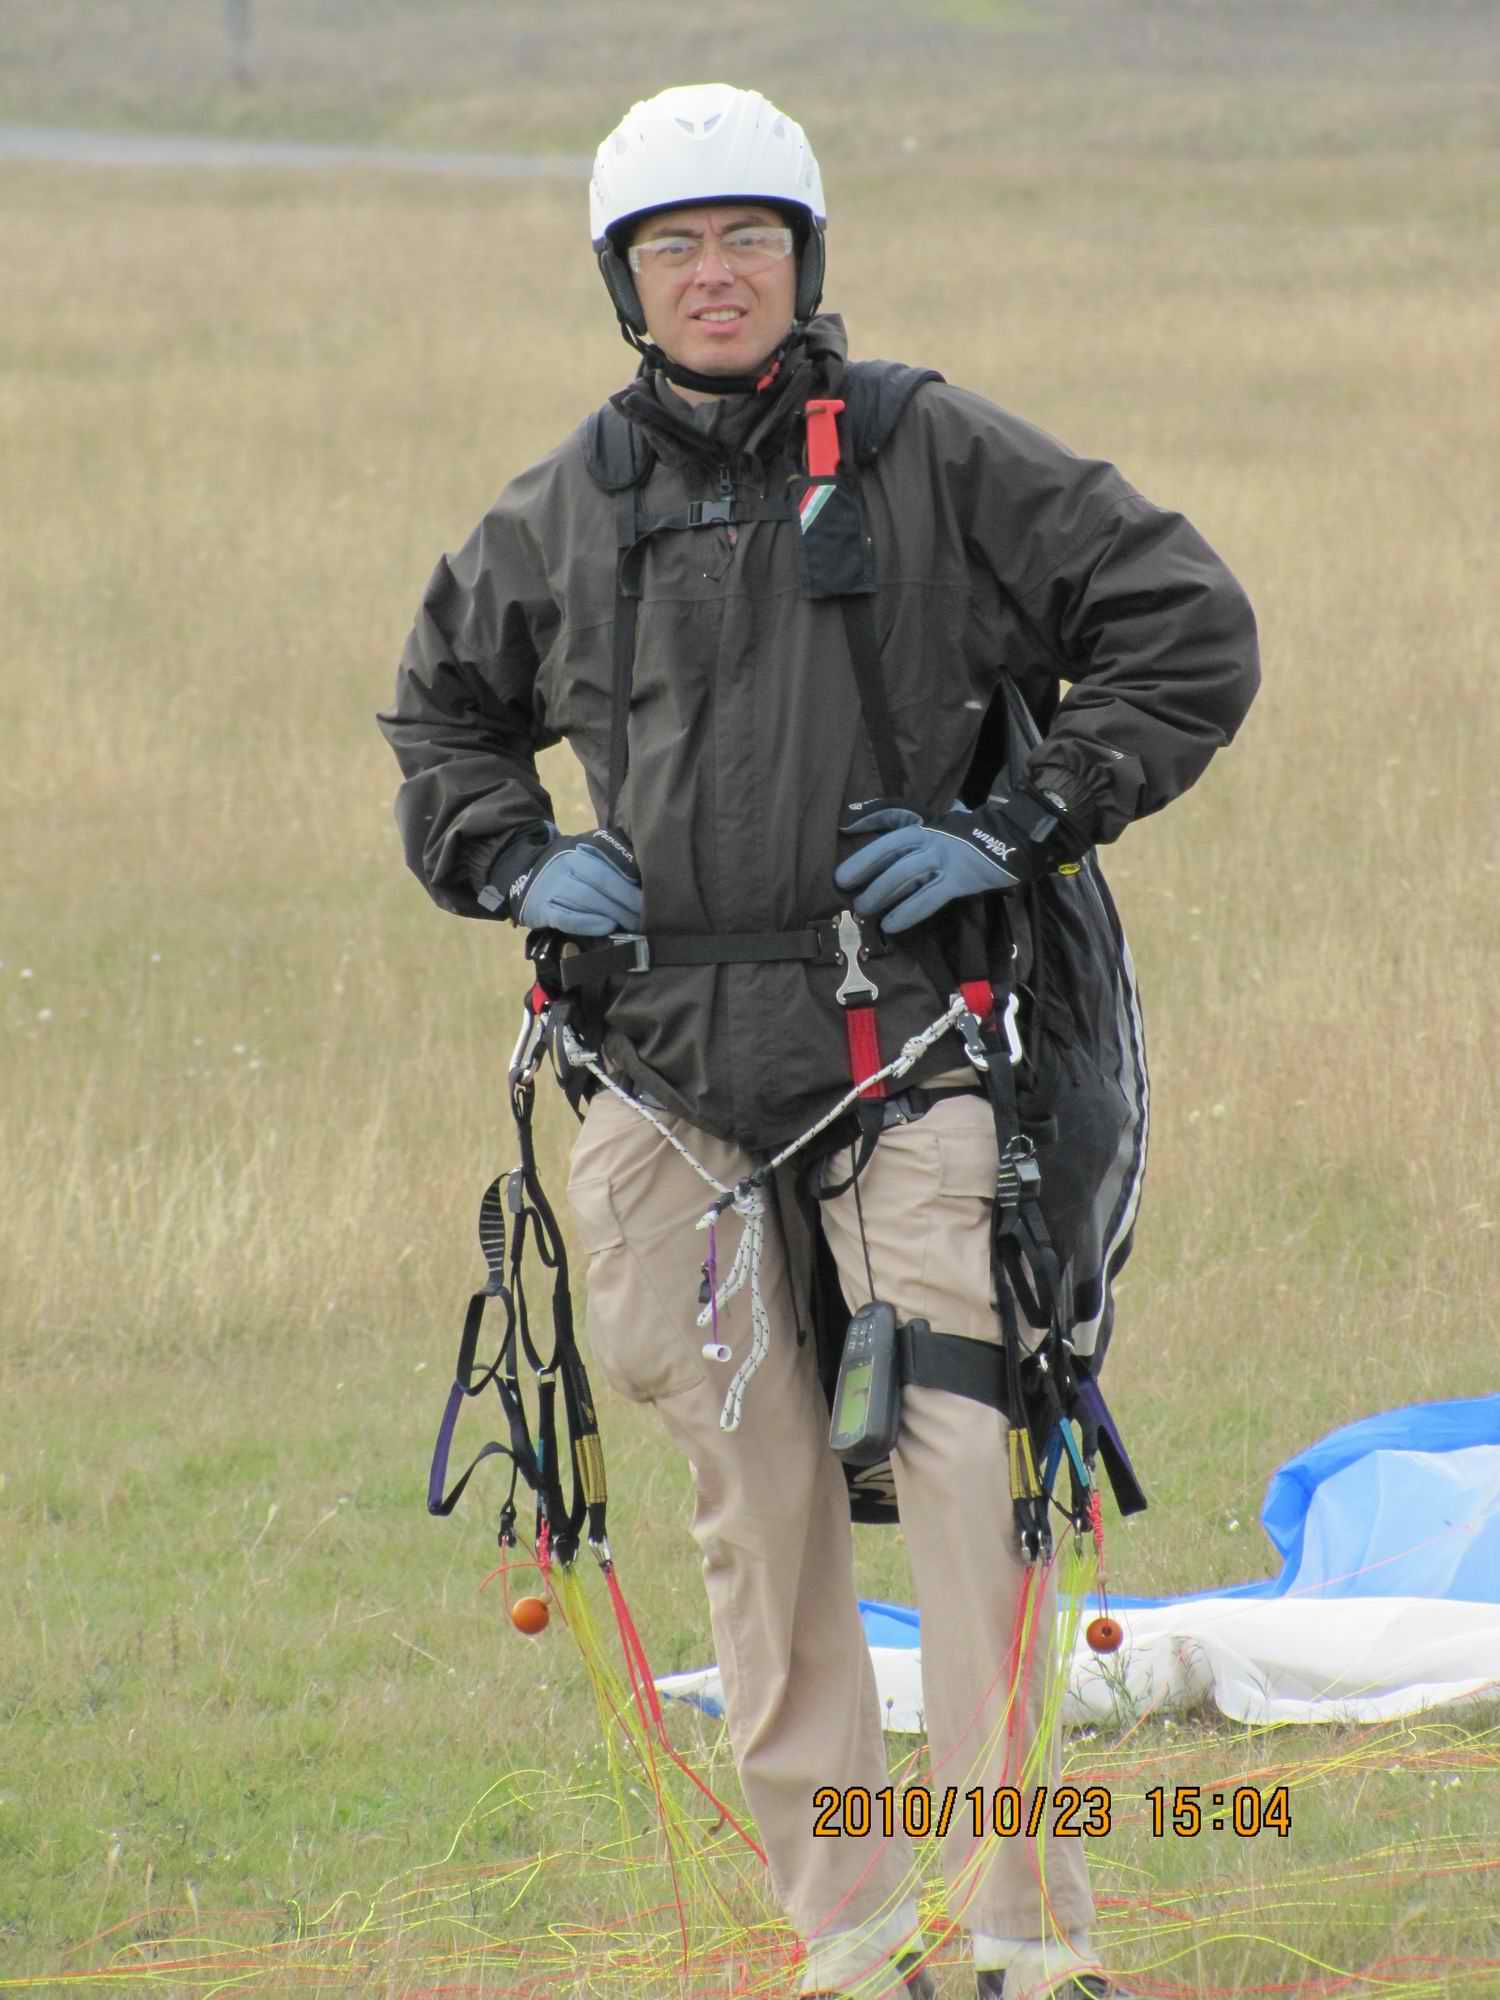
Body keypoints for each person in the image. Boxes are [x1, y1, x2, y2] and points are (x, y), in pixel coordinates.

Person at [380, 83, 1259, 2000]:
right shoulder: (565, 508)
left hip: (910, 1045)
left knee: (965, 1468)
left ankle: (1026, 1933)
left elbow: (1184, 622)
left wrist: (1026, 822)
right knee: (755, 1497)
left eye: (748, 240)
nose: (715, 275)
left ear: (804, 260)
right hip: (666, 1074)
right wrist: (516, 857)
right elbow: (440, 716)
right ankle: (851, 1938)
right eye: (674, 248)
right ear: (624, 282)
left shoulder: (935, 452)